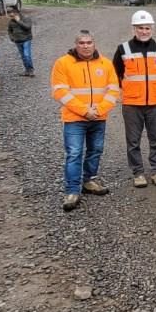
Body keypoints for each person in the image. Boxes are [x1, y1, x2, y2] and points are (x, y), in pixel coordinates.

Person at [50, 30, 120, 212]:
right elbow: (60, 92)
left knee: (95, 150)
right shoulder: (63, 63)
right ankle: (72, 190)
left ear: (94, 43)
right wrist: (84, 111)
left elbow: (113, 90)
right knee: (74, 153)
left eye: (89, 42)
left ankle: (89, 180)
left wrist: (99, 110)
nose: (86, 46)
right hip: (74, 118)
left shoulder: (105, 64)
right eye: (82, 43)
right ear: (76, 44)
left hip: (98, 117)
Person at [113, 10, 156, 188]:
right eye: (140, 28)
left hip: (155, 103)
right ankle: (138, 172)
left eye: (147, 28)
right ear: (134, 29)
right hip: (132, 104)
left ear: (152, 28)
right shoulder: (123, 49)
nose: (144, 31)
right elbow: (116, 74)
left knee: (155, 139)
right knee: (133, 141)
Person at [6, 8, 35, 76]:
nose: (11, 16)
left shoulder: (26, 18)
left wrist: (18, 21)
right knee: (23, 56)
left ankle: (31, 70)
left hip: (26, 39)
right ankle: (27, 70)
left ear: (16, 13)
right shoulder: (11, 21)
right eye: (10, 15)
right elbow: (9, 30)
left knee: (27, 55)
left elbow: (28, 27)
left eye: (12, 14)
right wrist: (11, 37)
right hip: (17, 41)